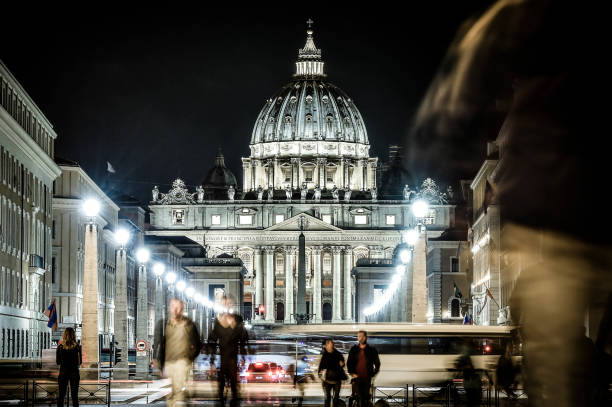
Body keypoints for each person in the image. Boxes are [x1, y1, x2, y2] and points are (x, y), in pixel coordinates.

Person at [152, 298, 201, 407]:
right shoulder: (163, 324)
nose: (176, 309)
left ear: (182, 309)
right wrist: (157, 362)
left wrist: (189, 359)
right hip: (167, 365)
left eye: (178, 307)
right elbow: (157, 343)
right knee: (169, 395)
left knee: (179, 394)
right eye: (173, 306)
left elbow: (198, 344)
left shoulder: (189, 325)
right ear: (169, 308)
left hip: (182, 364)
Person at [207, 295, 249, 407]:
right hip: (222, 360)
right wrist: (212, 362)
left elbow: (244, 340)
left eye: (228, 303)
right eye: (224, 304)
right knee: (220, 390)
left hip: (234, 360)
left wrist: (244, 358)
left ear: (232, 305)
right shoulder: (217, 322)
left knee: (235, 390)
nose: (226, 306)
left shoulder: (238, 320)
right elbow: (212, 342)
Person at [347, 331, 380, 407]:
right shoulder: (354, 349)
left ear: (365, 337)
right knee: (360, 397)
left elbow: (377, 363)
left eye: (362, 336)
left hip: (367, 378)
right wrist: (352, 373)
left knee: (366, 397)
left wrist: (373, 373)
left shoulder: (372, 350)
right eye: (359, 336)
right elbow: (349, 363)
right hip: (357, 378)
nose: (360, 338)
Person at [56, 327, 82, 407]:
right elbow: (80, 362)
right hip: (74, 372)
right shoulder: (77, 347)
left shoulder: (60, 347)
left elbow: (58, 362)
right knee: (74, 396)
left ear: (64, 335)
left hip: (63, 372)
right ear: (74, 335)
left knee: (61, 395)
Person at [318, 339, 347, 407]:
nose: (329, 347)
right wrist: (320, 374)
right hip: (327, 380)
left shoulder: (338, 354)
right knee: (327, 398)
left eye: (331, 345)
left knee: (335, 399)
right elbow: (321, 366)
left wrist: (342, 364)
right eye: (329, 345)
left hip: (336, 380)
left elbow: (342, 363)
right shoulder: (324, 355)